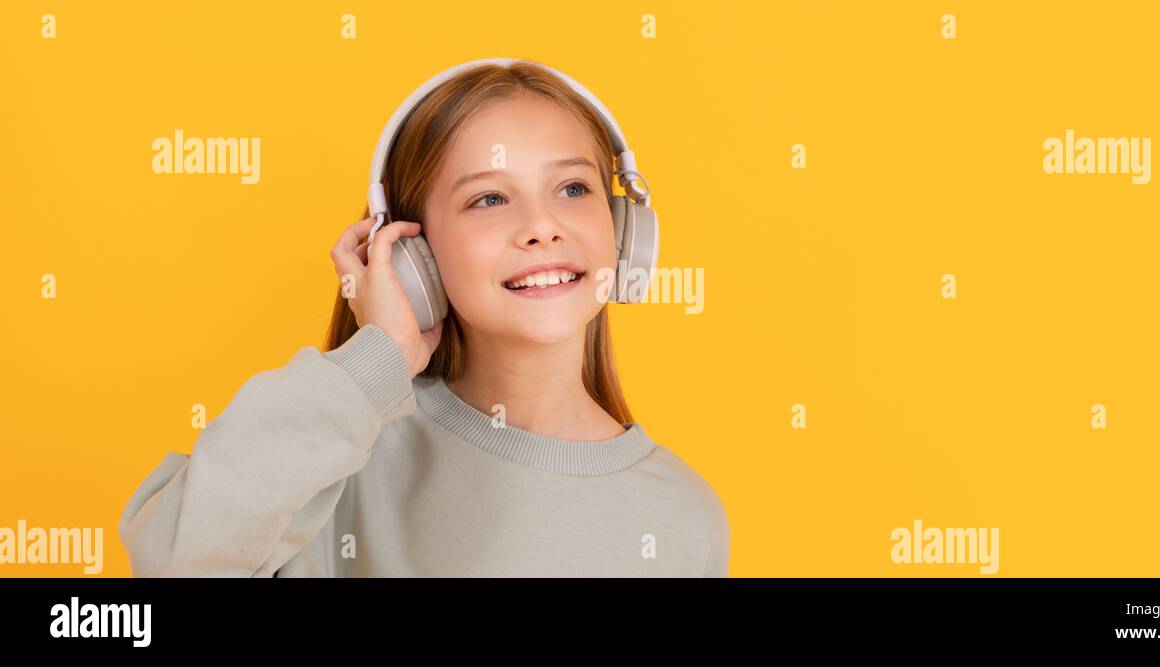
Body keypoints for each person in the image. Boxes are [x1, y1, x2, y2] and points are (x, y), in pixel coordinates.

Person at [118, 59, 729, 577]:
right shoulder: (340, 462)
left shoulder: (683, 518)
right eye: (489, 198)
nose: (543, 226)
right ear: (415, 256)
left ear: (625, 233)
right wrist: (372, 363)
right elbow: (174, 560)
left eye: (573, 188)